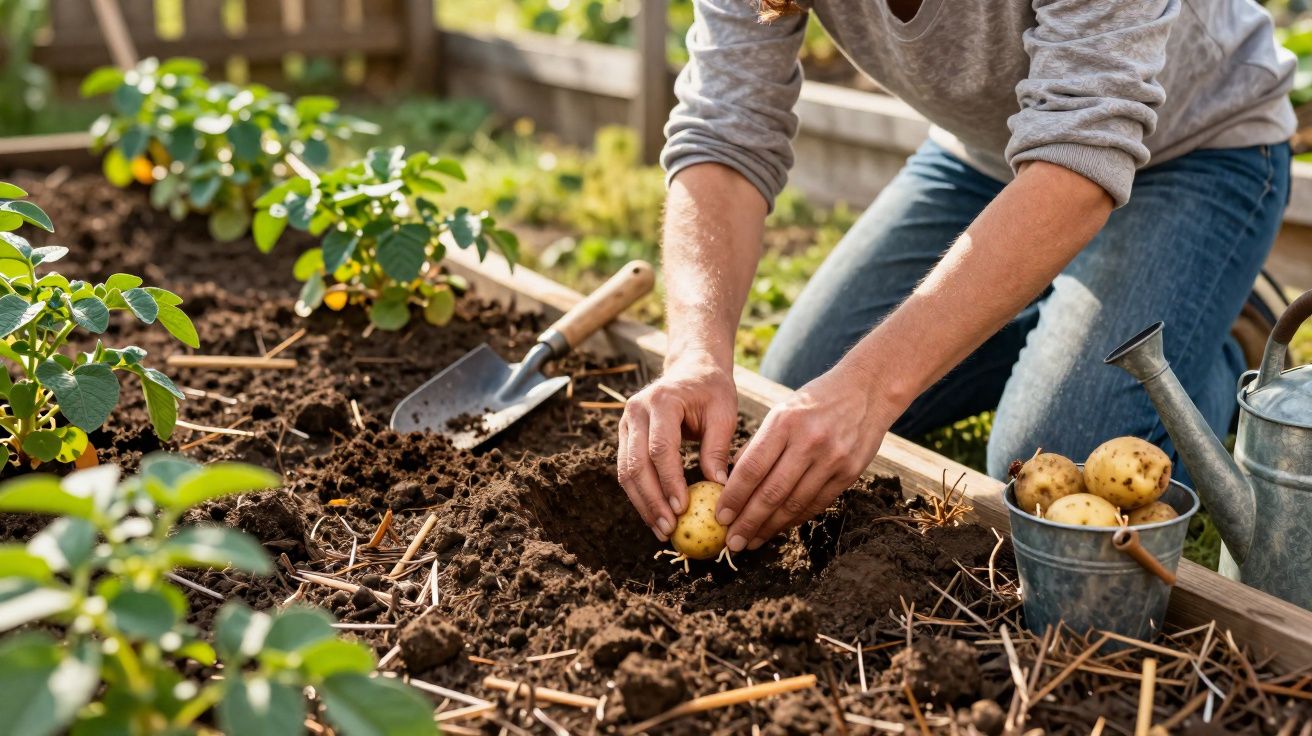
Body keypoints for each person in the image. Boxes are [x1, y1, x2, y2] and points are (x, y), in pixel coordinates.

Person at [615, 0, 1296, 554]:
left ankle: (1208, 343)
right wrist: (695, 355)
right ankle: (1048, 300)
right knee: (798, 397)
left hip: (1192, 151)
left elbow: (1083, 146)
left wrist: (871, 387)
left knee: (1054, 460)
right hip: (988, 158)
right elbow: (724, 128)